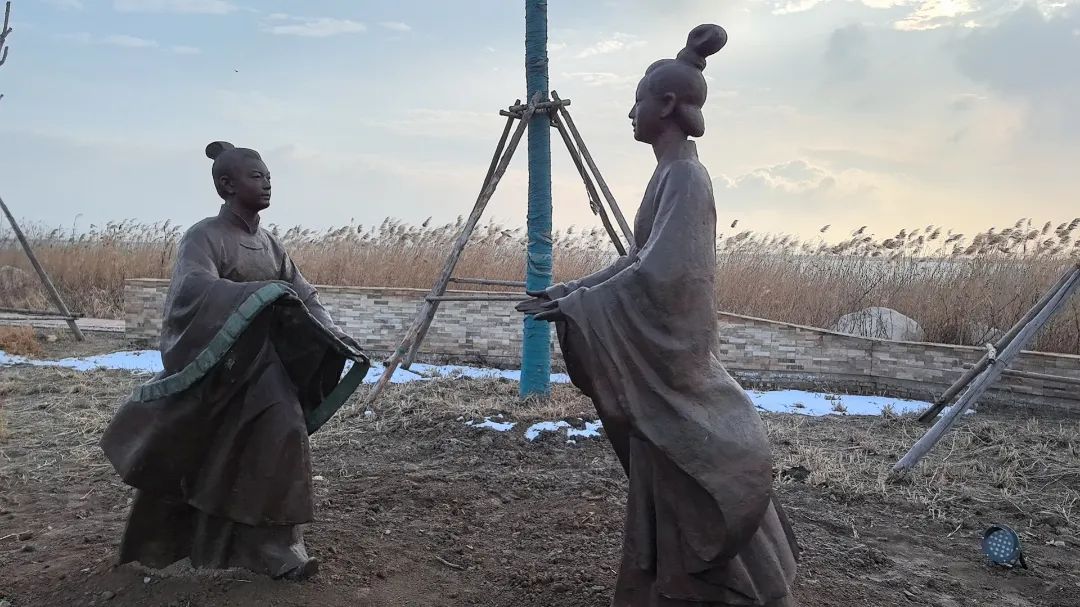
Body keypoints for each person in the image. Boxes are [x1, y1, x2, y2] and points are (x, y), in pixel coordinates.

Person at [517, 25, 800, 607]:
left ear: (666, 104)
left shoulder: (688, 177)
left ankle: (727, 586)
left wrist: (581, 304)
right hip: (660, 366)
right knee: (668, 467)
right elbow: (637, 260)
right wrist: (572, 292)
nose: (630, 112)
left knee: (698, 463)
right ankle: (670, 585)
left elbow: (667, 273)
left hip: (676, 367)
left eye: (637, 101)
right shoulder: (669, 173)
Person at [100, 141, 369, 580]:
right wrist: (260, 293)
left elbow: (304, 295)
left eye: (268, 177)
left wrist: (334, 332)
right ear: (226, 184)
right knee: (199, 453)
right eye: (256, 176)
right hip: (220, 369)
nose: (267, 183)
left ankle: (276, 544)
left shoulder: (270, 244)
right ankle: (171, 540)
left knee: (283, 432)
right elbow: (193, 289)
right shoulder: (204, 236)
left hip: (265, 368)